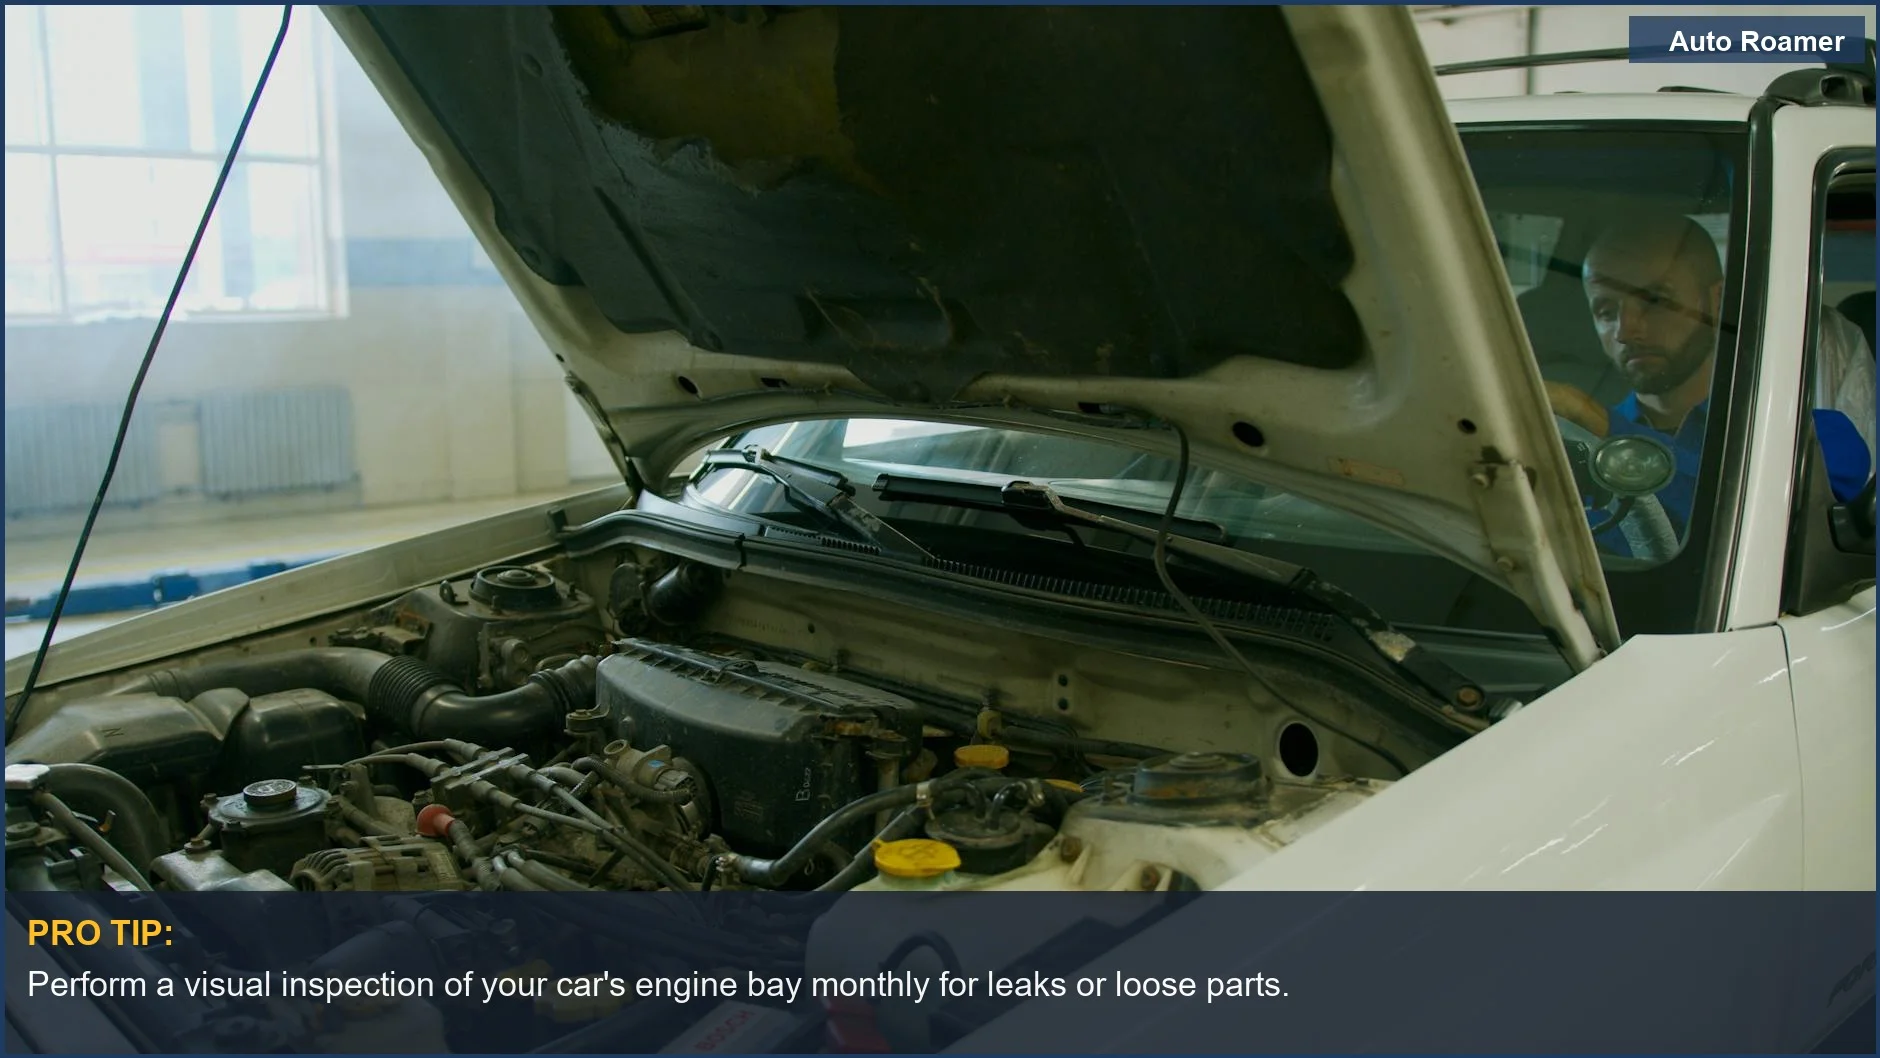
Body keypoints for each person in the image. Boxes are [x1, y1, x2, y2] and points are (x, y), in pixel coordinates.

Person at [1549, 213, 1876, 554]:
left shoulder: (1809, 438)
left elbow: (1757, 527)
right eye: (1605, 310)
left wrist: (1602, 425)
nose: (1625, 330)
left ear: (1718, 300)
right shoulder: (1575, 448)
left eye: (1656, 300)